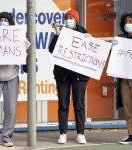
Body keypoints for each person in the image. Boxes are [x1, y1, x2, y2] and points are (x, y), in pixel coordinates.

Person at [49, 9, 90, 144]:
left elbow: (90, 52)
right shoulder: (60, 33)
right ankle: (63, 133)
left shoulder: (84, 33)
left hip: (79, 76)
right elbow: (52, 50)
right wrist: (56, 35)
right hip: (63, 75)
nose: (69, 20)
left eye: (71, 18)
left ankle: (80, 133)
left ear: (76, 20)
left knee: (79, 104)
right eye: (67, 18)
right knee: (63, 104)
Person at [0, 12, 19, 147]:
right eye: (1, 20)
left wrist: (25, 46)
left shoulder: (17, 37)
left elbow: (25, 55)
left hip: (12, 76)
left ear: (10, 23)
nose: (3, 22)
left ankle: (6, 137)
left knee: (10, 109)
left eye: (6, 20)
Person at [116, 12, 132, 145]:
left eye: (130, 21)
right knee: (128, 108)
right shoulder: (120, 38)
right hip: (124, 79)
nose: (128, 24)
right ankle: (131, 135)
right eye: (126, 22)